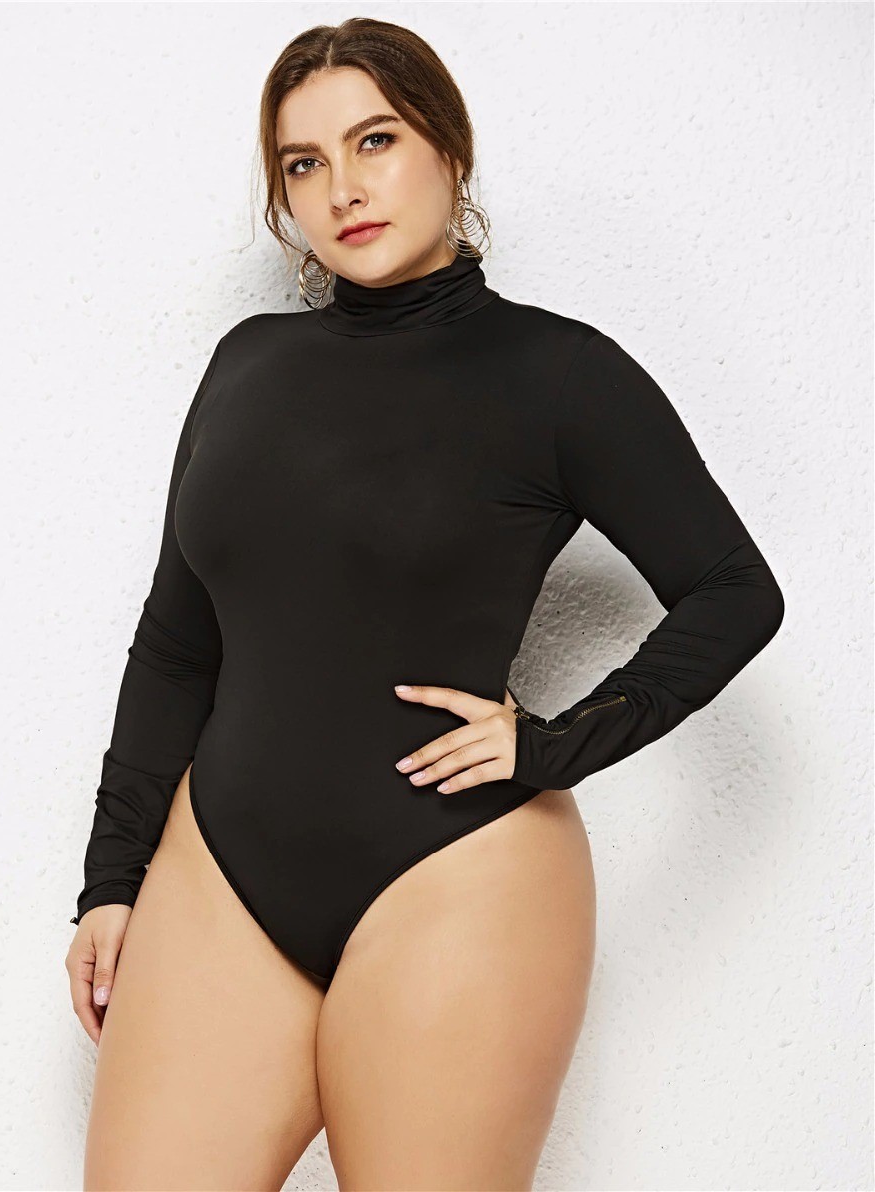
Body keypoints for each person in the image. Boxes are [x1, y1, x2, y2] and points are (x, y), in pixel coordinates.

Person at [64, 17, 784, 1191]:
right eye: (303, 163)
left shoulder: (560, 376)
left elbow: (734, 590)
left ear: (448, 147)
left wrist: (554, 743)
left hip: (459, 876)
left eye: (376, 141)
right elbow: (177, 645)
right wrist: (110, 879)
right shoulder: (246, 365)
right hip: (222, 872)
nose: (342, 188)